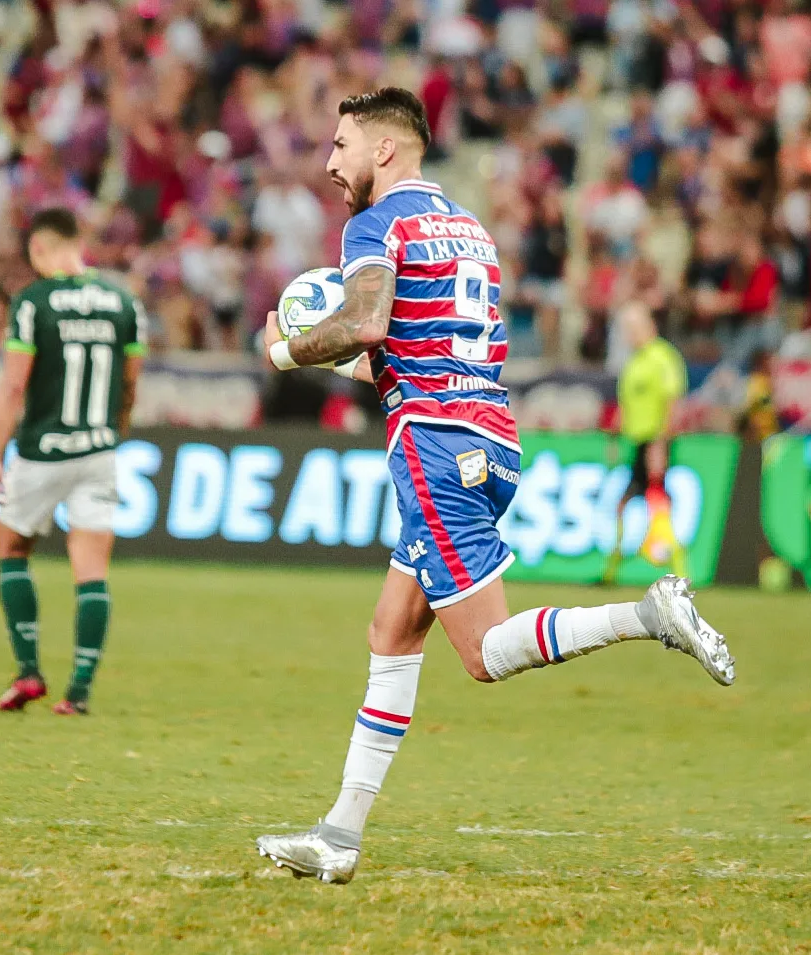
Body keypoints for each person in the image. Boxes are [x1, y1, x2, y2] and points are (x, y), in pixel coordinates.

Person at [253, 88, 735, 885]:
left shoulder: (375, 224)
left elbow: (369, 323)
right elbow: (404, 345)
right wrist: (349, 354)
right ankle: (339, 832)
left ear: (384, 150)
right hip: (490, 439)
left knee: (482, 653)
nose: (330, 163)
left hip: (437, 447)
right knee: (391, 631)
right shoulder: (469, 228)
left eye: (341, 145)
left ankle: (645, 613)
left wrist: (285, 351)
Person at [0, 208, 147, 717]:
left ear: (39, 250)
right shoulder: (124, 302)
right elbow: (131, 381)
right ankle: (77, 692)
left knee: (12, 547)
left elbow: (14, 385)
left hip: (42, 451)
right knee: (90, 568)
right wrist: (116, 428)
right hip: (98, 451)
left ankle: (30, 670)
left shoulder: (32, 303)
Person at [602, 300, 688, 585]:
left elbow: (672, 400)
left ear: (648, 326)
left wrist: (662, 441)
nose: (629, 335)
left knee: (656, 501)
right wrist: (615, 436)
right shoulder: (633, 361)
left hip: (655, 442)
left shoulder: (662, 357)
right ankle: (613, 569)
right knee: (628, 504)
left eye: (632, 328)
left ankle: (679, 568)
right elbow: (626, 404)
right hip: (638, 443)